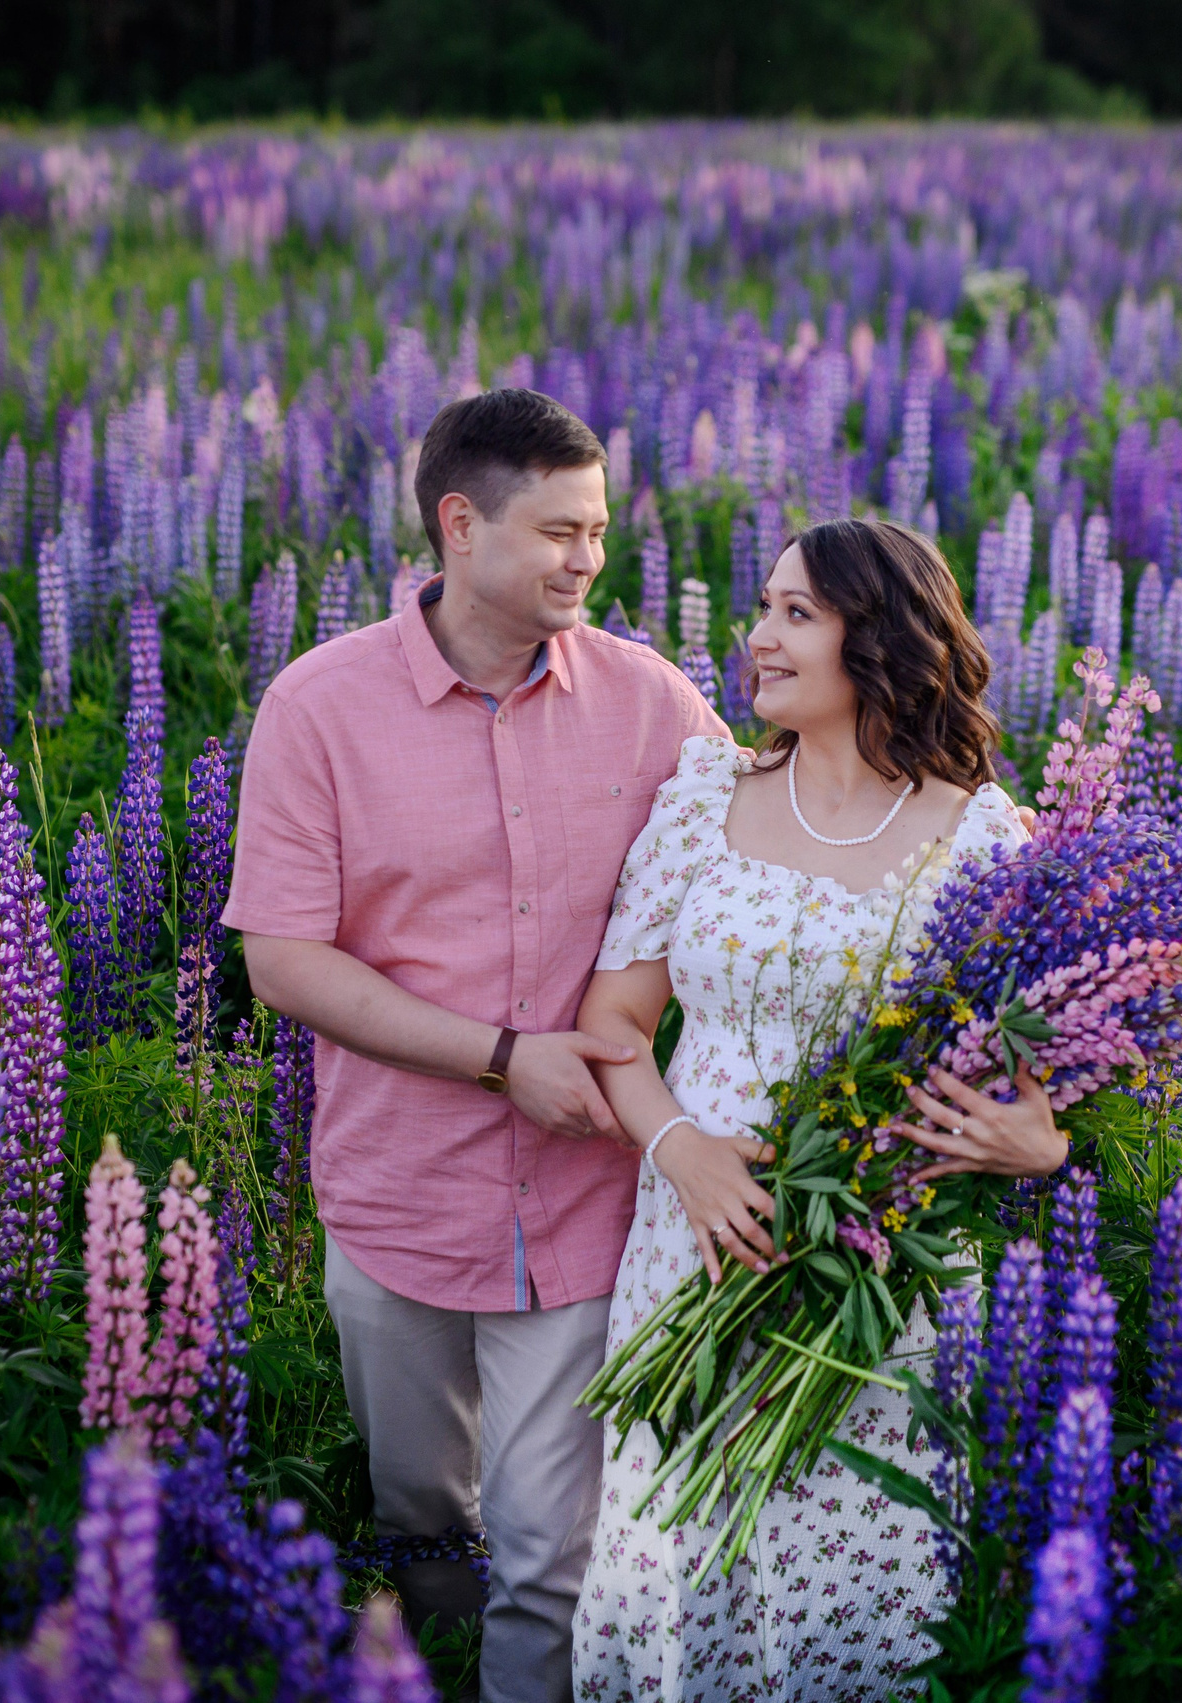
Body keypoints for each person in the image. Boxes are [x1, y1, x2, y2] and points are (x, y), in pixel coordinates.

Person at [226, 388, 727, 1703]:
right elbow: (281, 959)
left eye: (602, 530)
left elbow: (756, 861)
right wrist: (508, 1054)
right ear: (460, 525)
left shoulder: (651, 701)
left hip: (581, 1201)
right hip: (395, 1190)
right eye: (560, 530)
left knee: (548, 1561)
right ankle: (420, 1630)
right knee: (422, 1510)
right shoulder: (319, 707)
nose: (588, 559)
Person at [569, 517, 1069, 1701]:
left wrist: (1035, 1144)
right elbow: (611, 1032)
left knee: (859, 1579)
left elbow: (1035, 1076)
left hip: (878, 1275)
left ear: (880, 637)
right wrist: (681, 1146)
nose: (759, 638)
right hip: (695, 1246)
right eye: (764, 608)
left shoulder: (983, 835)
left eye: (798, 613)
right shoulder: (707, 796)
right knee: (675, 1561)